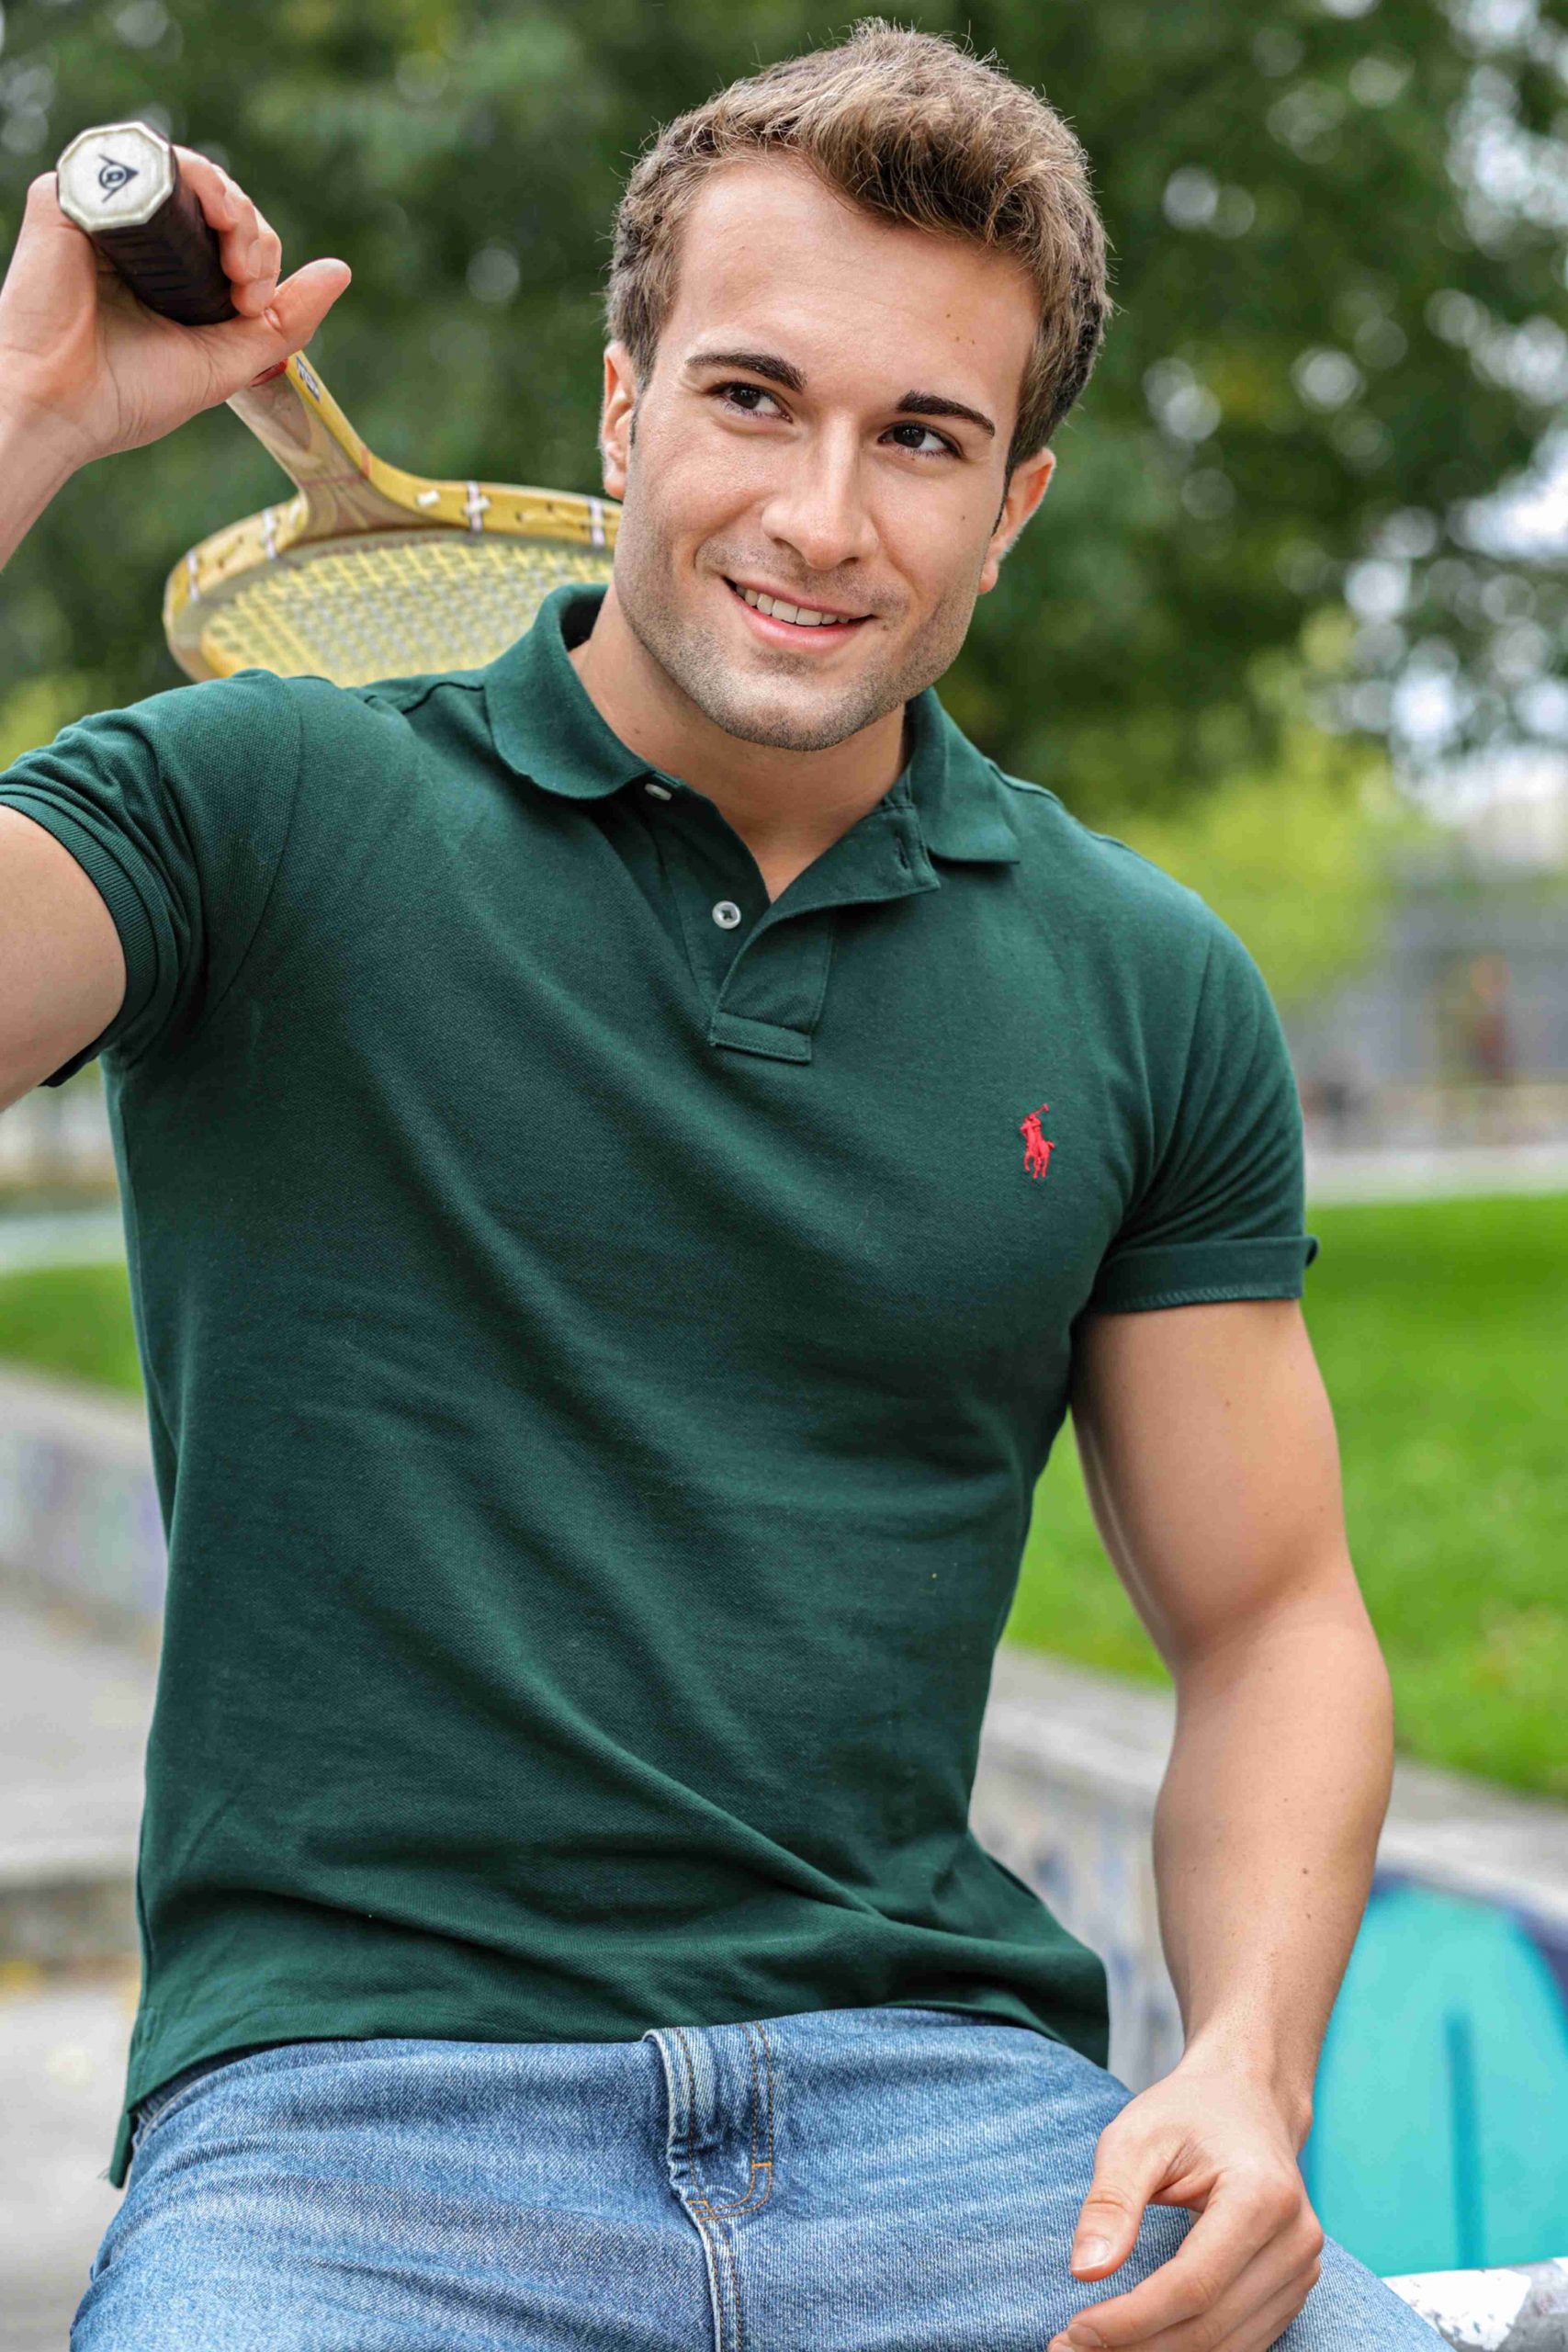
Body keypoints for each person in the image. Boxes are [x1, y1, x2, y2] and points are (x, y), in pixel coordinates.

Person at [0, 25, 1441, 2352]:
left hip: (962, 2119)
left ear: (1013, 503)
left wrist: (1245, 2071)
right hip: (352, 2141)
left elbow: (1270, 1618)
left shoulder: (1141, 982)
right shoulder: (256, 808)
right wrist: (29, 420)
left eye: (921, 439)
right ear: (620, 410)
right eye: (752, 399)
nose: (819, 517)